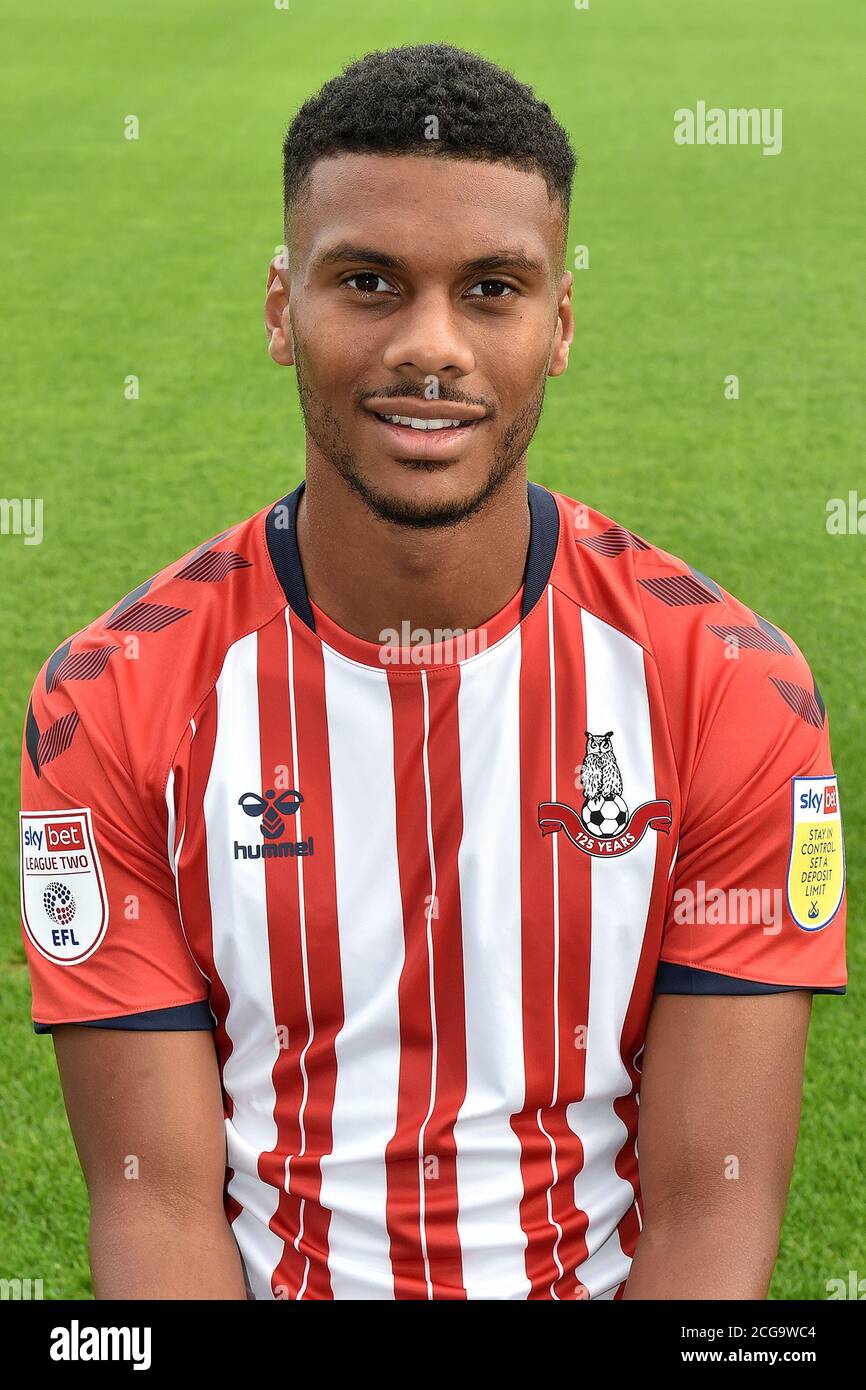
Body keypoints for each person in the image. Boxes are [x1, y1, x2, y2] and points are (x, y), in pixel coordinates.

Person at [19, 44, 846, 1300]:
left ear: (557, 324)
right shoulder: (107, 698)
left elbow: (704, 1220)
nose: (430, 348)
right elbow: (155, 1205)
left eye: (491, 290)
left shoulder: (733, 687)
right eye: (367, 282)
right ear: (277, 304)